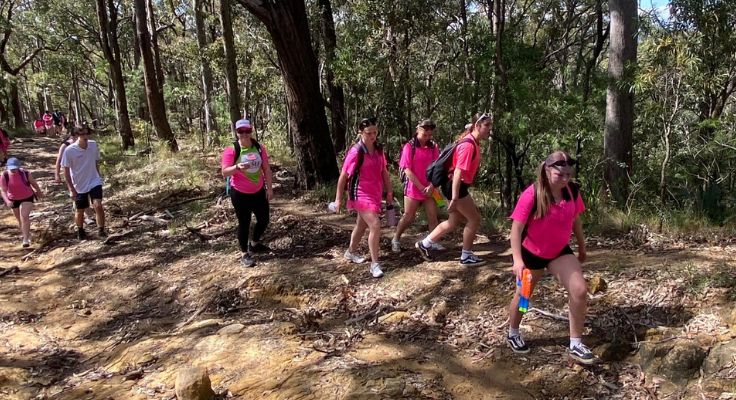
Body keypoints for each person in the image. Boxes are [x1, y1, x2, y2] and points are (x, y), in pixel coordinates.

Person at [505, 151, 594, 365]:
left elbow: (575, 221)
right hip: (532, 254)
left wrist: (581, 246)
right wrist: (517, 261)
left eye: (568, 174)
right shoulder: (532, 194)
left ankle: (575, 343)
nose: (565, 179)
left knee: (580, 290)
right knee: (524, 298)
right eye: (560, 174)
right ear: (547, 171)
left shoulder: (572, 191)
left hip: (559, 251)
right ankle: (513, 332)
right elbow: (515, 230)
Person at [415, 113, 493, 266]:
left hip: (454, 185)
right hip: (455, 186)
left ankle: (424, 244)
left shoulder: (473, 142)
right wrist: (455, 197)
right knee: (474, 219)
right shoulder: (468, 145)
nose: (490, 129)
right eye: (487, 125)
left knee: (454, 220)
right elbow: (458, 172)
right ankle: (466, 255)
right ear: (477, 126)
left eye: (490, 125)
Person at [334, 118, 392, 278]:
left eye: (375, 132)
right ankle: (375, 264)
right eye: (369, 133)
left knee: (362, 225)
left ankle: (350, 252)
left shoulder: (379, 150)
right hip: (359, 193)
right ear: (361, 133)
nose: (373, 136)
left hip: (375, 192)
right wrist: (338, 199)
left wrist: (389, 192)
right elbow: (343, 176)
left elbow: (384, 172)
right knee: (375, 224)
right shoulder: (356, 152)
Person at [221, 119, 274, 267]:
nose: (244, 134)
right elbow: (225, 172)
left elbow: (266, 169)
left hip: (258, 191)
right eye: (241, 131)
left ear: (251, 131)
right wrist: (237, 167)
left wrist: (269, 188)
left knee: (264, 220)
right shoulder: (232, 149)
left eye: (247, 131)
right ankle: (244, 253)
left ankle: (255, 244)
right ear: (236, 132)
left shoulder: (258, 147)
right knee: (244, 223)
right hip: (239, 192)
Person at [391, 119, 442, 253]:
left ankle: (433, 241)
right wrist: (420, 187)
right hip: (414, 187)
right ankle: (396, 239)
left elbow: (437, 166)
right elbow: (407, 169)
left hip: (430, 187)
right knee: (408, 216)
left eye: (430, 135)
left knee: (433, 216)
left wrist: (431, 186)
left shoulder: (433, 147)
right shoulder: (409, 146)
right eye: (424, 135)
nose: (427, 138)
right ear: (417, 130)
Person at [61, 126, 106, 240]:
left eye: (87, 134)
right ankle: (80, 230)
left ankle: (101, 230)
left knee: (98, 205)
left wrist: (98, 175)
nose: (85, 137)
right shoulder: (69, 150)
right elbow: (66, 170)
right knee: (80, 210)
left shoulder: (93, 145)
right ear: (77, 136)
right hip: (79, 184)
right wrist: (71, 189)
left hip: (94, 180)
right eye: (82, 134)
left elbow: (95, 161)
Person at [0, 158, 45, 247]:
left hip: (27, 197)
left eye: (15, 168)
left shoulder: (25, 173)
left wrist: (40, 193)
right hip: (13, 199)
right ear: (7, 168)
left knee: (24, 216)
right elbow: (3, 191)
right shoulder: (4, 176)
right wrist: (7, 201)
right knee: (20, 219)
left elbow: (34, 184)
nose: (14, 170)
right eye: (12, 169)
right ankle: (27, 234)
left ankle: (25, 239)